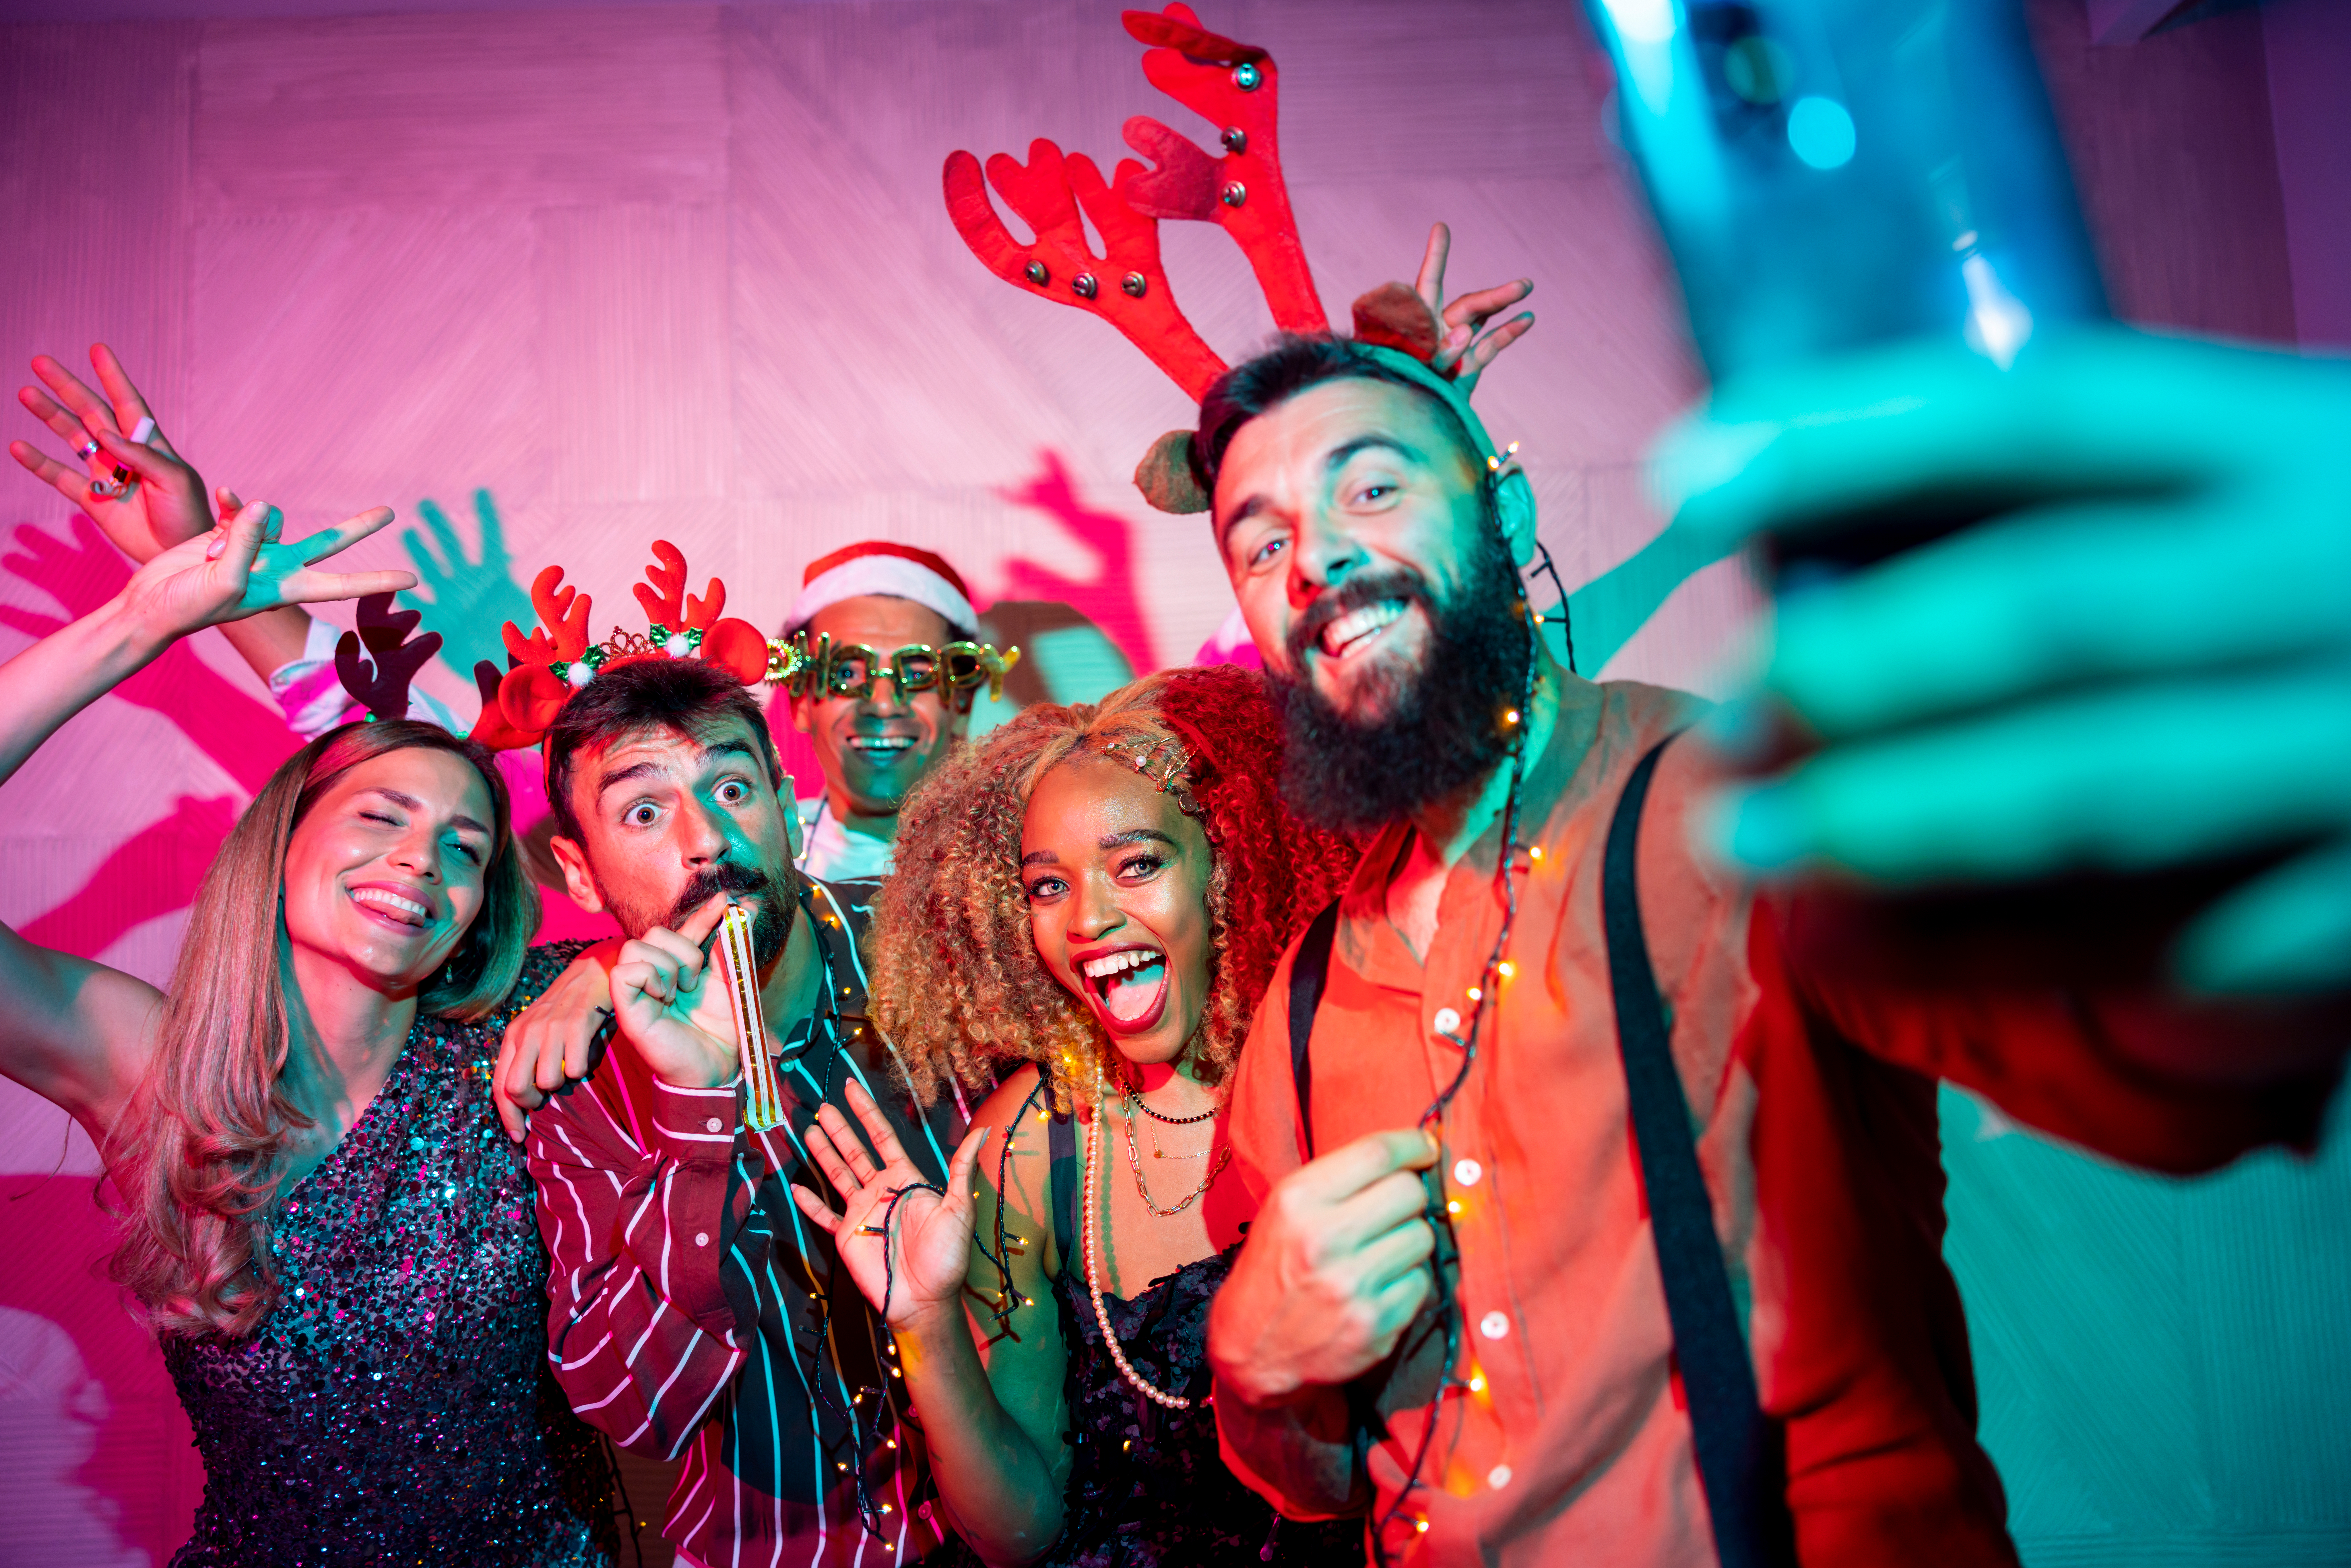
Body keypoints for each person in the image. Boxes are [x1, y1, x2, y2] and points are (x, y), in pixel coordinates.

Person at [1190, 327, 2350, 1567]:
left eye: (1372, 486)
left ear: (1505, 503)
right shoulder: (1304, 997)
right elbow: (1315, 1487)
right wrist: (1256, 1374)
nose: (1317, 558)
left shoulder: (1745, 804)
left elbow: (2134, 1043)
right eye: (1262, 544)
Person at [0, 490, 614, 1565]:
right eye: (381, 817)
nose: (425, 859)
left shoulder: (518, 1033)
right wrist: (146, 618)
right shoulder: (158, 1073)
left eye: (466, 847)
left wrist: (602, 975)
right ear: (281, 842)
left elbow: (744, 924)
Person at [785, 665, 1364, 1567]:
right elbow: (1021, 1533)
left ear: (1230, 860)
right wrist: (926, 1324)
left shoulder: (1345, 1081)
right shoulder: (1026, 1147)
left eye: (1136, 864)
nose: (1088, 918)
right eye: (1047, 885)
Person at [482, 553, 971, 1566]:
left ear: (787, 810)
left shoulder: (936, 946)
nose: (706, 837)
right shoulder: (579, 1087)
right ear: (575, 866)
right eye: (645, 812)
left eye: (733, 787)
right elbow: (627, 1402)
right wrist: (699, 1114)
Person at [774, 541, 1002, 882]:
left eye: (915, 675)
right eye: (847, 674)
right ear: (800, 702)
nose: (882, 704)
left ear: (961, 705)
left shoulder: (1016, 862)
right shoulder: (753, 863)